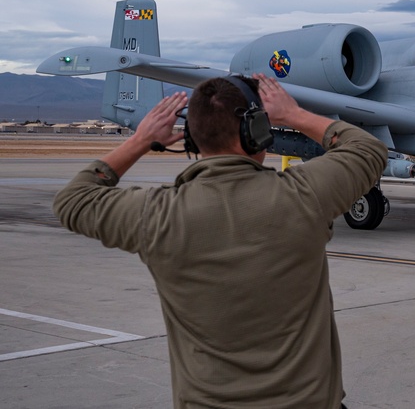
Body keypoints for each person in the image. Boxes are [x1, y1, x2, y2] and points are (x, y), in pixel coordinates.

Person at [53, 74, 388, 409]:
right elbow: (367, 149)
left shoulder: (156, 215)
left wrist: (141, 140)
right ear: (257, 132)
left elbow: (73, 200)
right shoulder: (302, 196)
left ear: (193, 141)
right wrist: (292, 114)